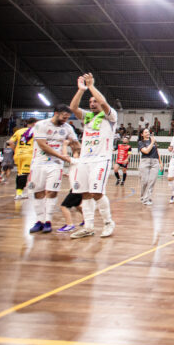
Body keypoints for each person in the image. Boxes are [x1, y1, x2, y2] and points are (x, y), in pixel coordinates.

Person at [68, 74, 118, 239]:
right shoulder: (88, 117)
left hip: (101, 160)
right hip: (84, 159)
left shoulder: (110, 116)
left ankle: (108, 222)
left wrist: (91, 86)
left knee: (97, 193)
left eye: (94, 100)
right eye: (90, 102)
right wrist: (81, 90)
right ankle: (88, 226)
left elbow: (103, 102)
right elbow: (73, 107)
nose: (92, 103)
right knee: (85, 194)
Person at [28, 105, 78, 234]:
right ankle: (39, 220)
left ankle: (48, 221)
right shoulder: (41, 124)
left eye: (67, 118)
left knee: (52, 191)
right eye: (63, 117)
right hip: (39, 163)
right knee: (38, 191)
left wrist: (79, 156)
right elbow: (43, 145)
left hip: (56, 165)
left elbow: (75, 144)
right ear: (56, 113)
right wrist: (62, 156)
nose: (65, 120)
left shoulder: (67, 128)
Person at [9, 118, 36, 200]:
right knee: (24, 174)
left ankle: (19, 192)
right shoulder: (35, 131)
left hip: (18, 154)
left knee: (20, 173)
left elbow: (10, 142)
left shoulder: (19, 131)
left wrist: (15, 150)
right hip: (28, 154)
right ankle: (19, 194)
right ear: (35, 123)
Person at [58, 149, 84, 232]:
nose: (73, 154)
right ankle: (87, 220)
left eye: (75, 153)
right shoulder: (82, 163)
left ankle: (69, 225)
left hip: (76, 189)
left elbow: (65, 157)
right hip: (79, 188)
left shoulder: (77, 161)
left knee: (64, 206)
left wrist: (65, 145)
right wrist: (69, 175)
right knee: (77, 205)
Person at [137, 128, 162, 206]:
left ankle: (146, 198)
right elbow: (146, 151)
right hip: (145, 162)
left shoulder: (153, 141)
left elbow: (157, 151)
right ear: (142, 134)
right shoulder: (141, 142)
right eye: (145, 132)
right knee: (144, 181)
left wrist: (160, 163)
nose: (148, 133)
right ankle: (143, 197)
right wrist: (152, 142)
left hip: (155, 162)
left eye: (148, 132)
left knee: (151, 181)